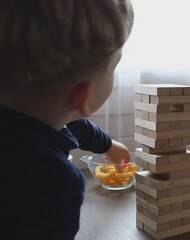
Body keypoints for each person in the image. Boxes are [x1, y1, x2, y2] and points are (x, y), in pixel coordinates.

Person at [0, 0, 134, 239]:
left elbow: (66, 119)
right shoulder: (54, 185)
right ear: (83, 95)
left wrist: (108, 146)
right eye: (114, 66)